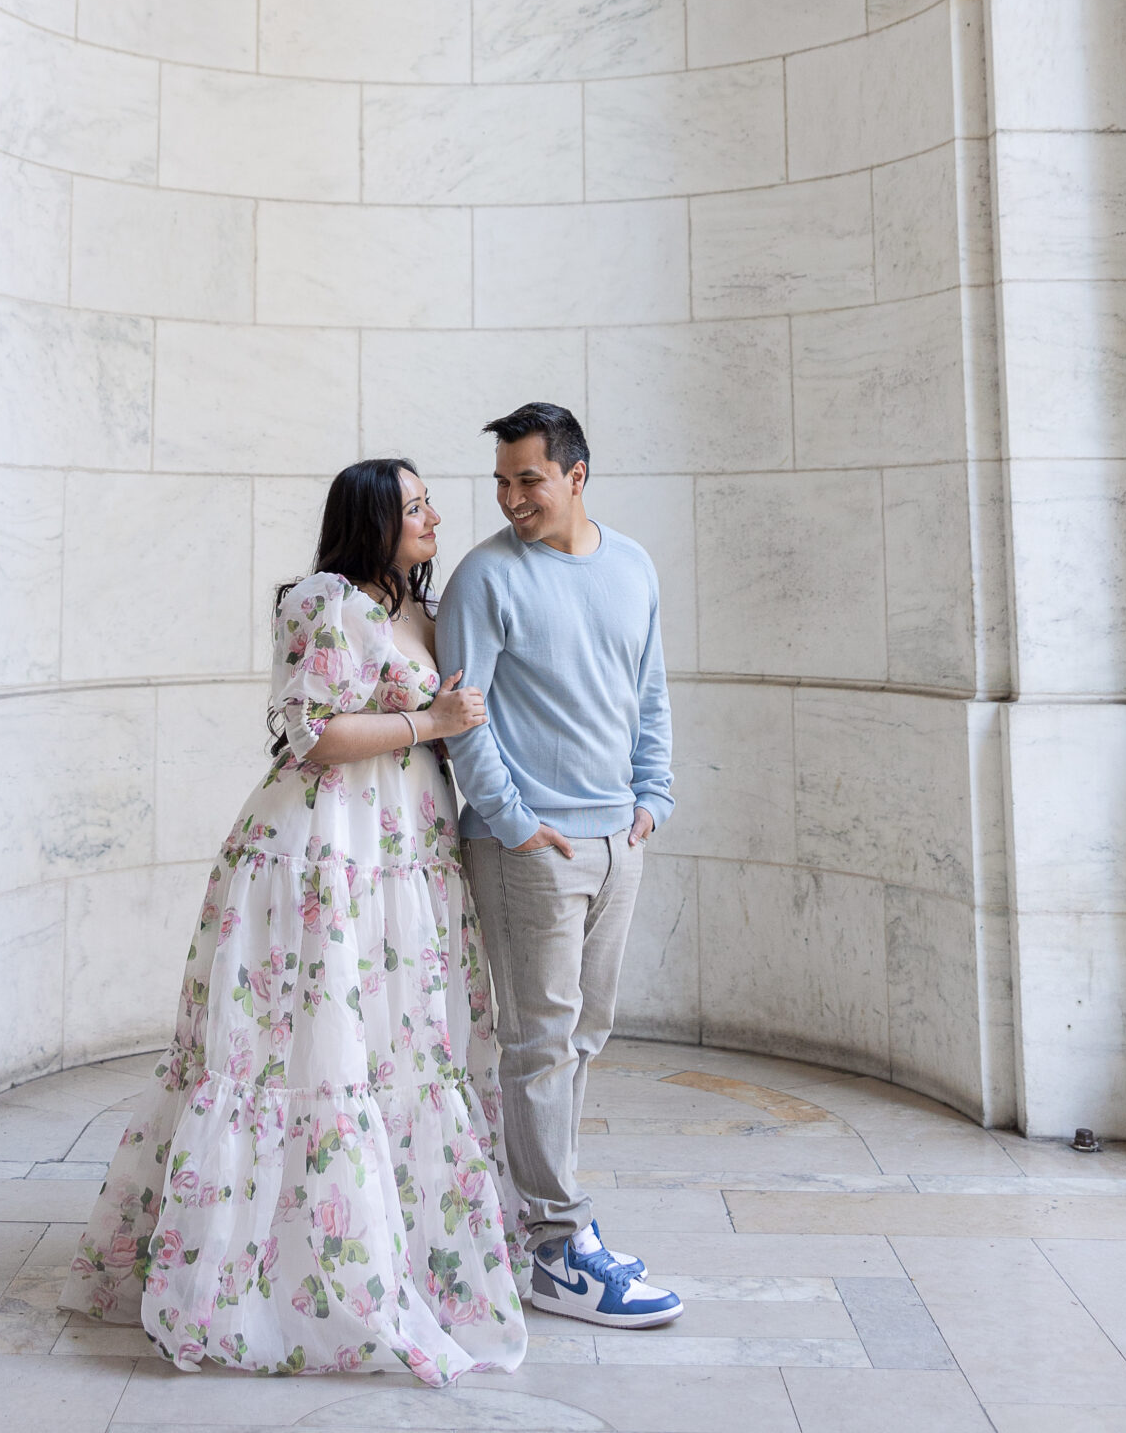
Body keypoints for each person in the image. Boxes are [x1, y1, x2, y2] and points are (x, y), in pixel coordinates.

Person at [61, 459, 527, 1384]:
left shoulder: (413, 609)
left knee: (388, 1053)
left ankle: (384, 1260)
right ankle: (271, 1281)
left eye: (430, 500)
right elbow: (313, 732)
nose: (433, 514)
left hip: (400, 856)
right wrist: (431, 724)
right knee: (304, 1059)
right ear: (371, 520)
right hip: (325, 853)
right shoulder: (327, 601)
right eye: (414, 504)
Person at [435, 401, 683, 1330]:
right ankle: (552, 1244)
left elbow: (646, 688)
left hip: (619, 839)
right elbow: (467, 718)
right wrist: (514, 822)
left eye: (527, 479)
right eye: (501, 481)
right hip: (529, 851)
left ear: (577, 476)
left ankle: (544, 1220)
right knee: (538, 1040)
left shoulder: (632, 566)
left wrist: (651, 798)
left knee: (584, 1033)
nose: (510, 497)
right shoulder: (483, 578)